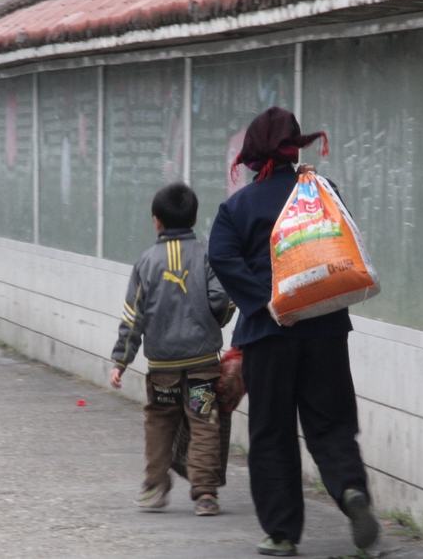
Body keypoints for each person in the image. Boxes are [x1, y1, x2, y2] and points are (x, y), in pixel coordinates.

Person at [208, 107, 379, 557]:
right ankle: (350, 491)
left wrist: (265, 300)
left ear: (254, 154)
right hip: (325, 328)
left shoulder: (237, 207)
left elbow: (222, 259)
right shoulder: (320, 190)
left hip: (268, 335)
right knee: (332, 423)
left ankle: (282, 533)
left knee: (272, 431)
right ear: (293, 148)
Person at [110, 182, 235, 516]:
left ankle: (154, 487)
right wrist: (216, 322)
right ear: (194, 218)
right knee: (204, 421)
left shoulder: (146, 263)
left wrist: (121, 360)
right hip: (203, 364)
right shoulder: (209, 254)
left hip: (163, 366)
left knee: (161, 421)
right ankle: (205, 495)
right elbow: (222, 297)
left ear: (156, 222)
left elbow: (132, 316)